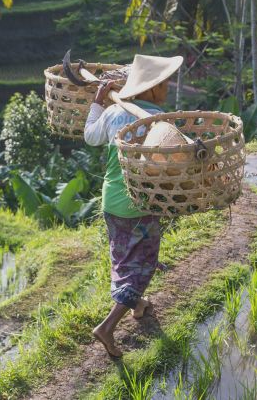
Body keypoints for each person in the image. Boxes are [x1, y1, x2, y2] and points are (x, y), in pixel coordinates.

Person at [83, 53, 183, 357]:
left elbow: (90, 136)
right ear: (151, 88)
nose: (167, 87)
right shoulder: (159, 123)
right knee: (144, 265)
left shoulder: (114, 113)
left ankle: (138, 305)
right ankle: (107, 327)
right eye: (164, 83)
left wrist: (99, 101)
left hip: (111, 199)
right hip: (140, 204)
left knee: (122, 257)